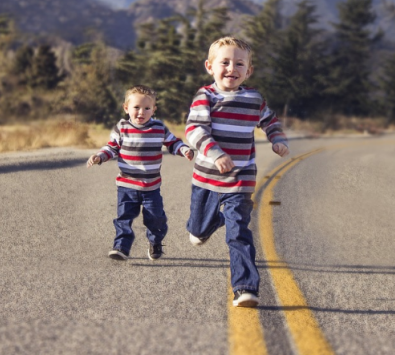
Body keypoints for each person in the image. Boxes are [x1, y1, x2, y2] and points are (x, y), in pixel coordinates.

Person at [184, 36, 289, 307]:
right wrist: (216, 153)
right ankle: (208, 224)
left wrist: (277, 138)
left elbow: (270, 120)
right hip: (207, 179)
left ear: (248, 70)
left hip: (240, 181)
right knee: (196, 232)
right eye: (225, 62)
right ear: (210, 66)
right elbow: (194, 130)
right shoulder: (205, 96)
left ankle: (245, 288)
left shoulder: (253, 99)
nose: (232, 68)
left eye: (239, 63)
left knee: (239, 231)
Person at [88, 85, 194, 261]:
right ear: (126, 108)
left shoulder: (158, 128)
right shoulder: (121, 128)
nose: (141, 112)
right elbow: (112, 147)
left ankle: (155, 241)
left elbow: (173, 143)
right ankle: (121, 247)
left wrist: (184, 150)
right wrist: (100, 156)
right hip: (126, 185)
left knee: (156, 219)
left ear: (154, 109)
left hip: (151, 187)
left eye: (147, 108)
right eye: (136, 107)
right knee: (123, 218)